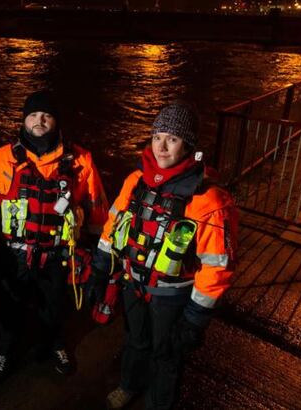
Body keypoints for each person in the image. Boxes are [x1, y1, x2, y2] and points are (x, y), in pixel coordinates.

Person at [89, 102, 238, 410]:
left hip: (171, 296)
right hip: (133, 282)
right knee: (134, 341)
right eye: (158, 136)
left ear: (189, 145)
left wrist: (194, 319)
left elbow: (216, 269)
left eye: (173, 138)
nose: (162, 146)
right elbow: (111, 226)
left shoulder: (209, 200)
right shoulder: (135, 181)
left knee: (167, 355)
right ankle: (129, 385)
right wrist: (100, 268)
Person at [0, 90, 109, 380]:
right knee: (9, 306)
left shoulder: (81, 160)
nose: (39, 120)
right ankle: (4, 351)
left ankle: (56, 345)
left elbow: (96, 204)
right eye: (33, 114)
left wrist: (100, 250)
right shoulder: (0, 158)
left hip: (57, 253)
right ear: (24, 120)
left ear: (56, 121)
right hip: (13, 253)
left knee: (55, 305)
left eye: (46, 114)